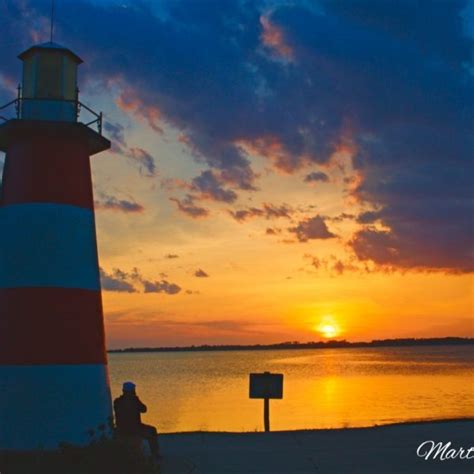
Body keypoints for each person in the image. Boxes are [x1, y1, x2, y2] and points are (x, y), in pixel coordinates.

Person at [114, 381, 160, 458]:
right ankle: (155, 454)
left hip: (121, 428)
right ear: (132, 391)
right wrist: (136, 400)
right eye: (134, 389)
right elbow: (144, 409)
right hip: (135, 428)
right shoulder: (134, 400)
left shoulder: (117, 401)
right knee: (152, 430)